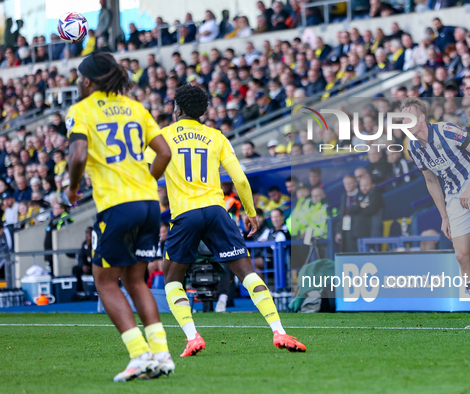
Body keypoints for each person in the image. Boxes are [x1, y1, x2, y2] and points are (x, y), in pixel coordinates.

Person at [158, 84, 306, 358]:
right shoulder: (217, 137)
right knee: (247, 272)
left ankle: (192, 337)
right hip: (216, 211)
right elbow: (239, 178)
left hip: (185, 214)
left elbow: (145, 170)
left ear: (177, 108)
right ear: (203, 111)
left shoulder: (164, 136)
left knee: (172, 279)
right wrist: (251, 212)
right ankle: (279, 330)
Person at [65, 52, 174, 381]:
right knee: (135, 280)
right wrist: (146, 182)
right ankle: (161, 353)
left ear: (86, 81)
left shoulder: (81, 110)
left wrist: (72, 189)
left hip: (116, 204)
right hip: (148, 202)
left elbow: (79, 153)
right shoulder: (136, 107)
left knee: (105, 281)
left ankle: (139, 354)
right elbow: (164, 153)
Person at [403, 97, 470, 329]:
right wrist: (444, 216)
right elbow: (431, 182)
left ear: (422, 118)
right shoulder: (413, 148)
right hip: (454, 195)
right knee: (461, 255)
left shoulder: (446, 131)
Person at [73, 227, 93, 293]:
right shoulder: (84, 244)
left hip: (95, 265)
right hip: (87, 266)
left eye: (90, 233)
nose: (88, 235)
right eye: (87, 233)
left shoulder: (97, 243)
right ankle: (80, 291)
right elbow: (81, 257)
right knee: (76, 269)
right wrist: (83, 265)